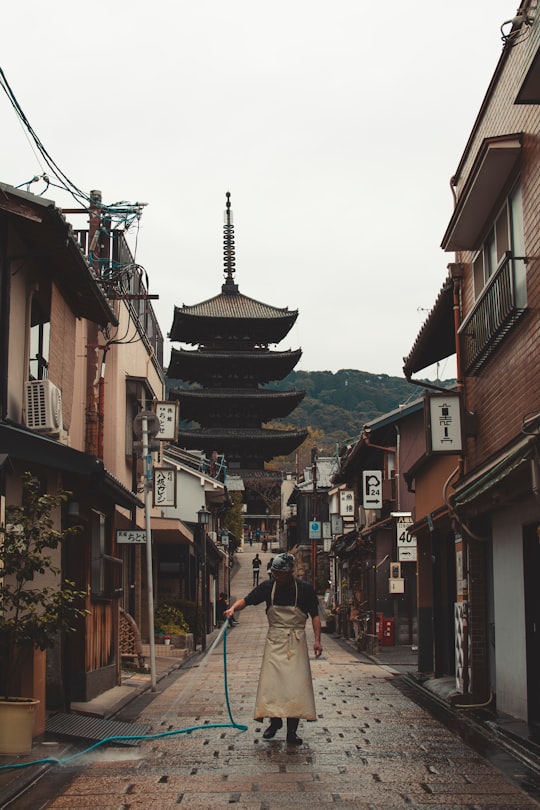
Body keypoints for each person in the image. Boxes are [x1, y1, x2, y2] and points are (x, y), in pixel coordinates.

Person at [224, 552, 322, 745]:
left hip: (296, 640)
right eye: (274, 572)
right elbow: (247, 600)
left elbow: (315, 615)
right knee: (273, 685)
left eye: (280, 573)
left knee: (295, 688)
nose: (276, 576)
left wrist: (317, 640)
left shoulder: (304, 589)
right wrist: (233, 609)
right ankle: (274, 722)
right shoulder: (268, 587)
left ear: (290, 572)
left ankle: (291, 732)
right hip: (275, 641)